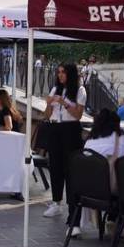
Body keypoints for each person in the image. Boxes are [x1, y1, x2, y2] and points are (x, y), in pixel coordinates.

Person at [75, 107, 124, 237]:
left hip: (88, 190)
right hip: (110, 190)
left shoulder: (89, 141)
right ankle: (113, 219)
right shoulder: (120, 139)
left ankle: (110, 219)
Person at [42, 63, 86, 219]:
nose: (60, 75)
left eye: (63, 72)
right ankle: (56, 202)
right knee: (55, 166)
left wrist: (64, 103)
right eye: (58, 72)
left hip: (70, 129)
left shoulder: (79, 90)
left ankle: (72, 205)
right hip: (54, 128)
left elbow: (78, 115)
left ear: (71, 74)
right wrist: (48, 103)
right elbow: (47, 115)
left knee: (69, 168)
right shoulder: (55, 89)